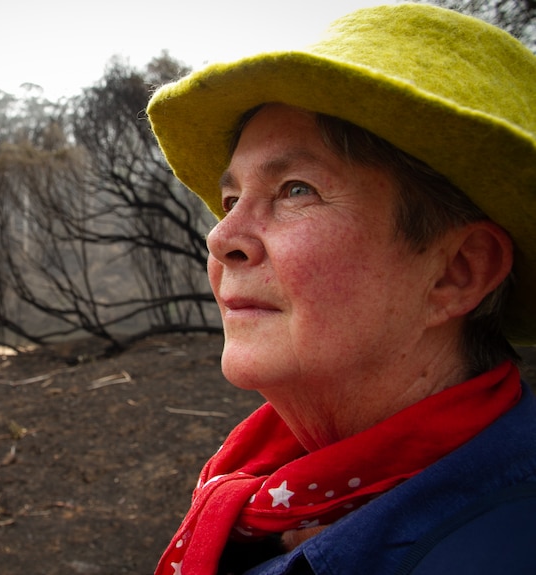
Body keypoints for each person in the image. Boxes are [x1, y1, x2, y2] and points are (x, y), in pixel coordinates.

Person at [145, 3, 536, 575]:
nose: (221, 237)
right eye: (231, 201)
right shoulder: (274, 491)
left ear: (457, 272)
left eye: (296, 190)